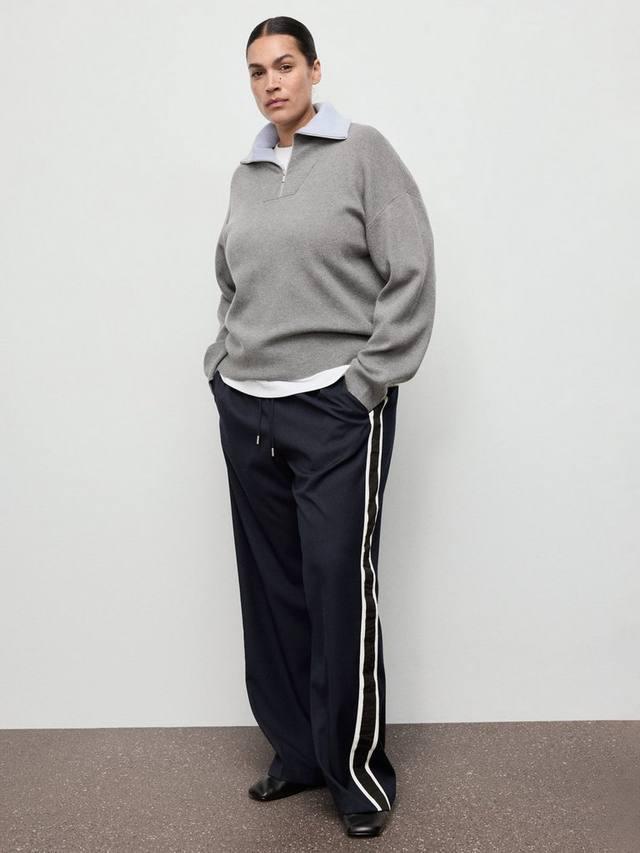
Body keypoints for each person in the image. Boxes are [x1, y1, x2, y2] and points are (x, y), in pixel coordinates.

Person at [203, 15, 436, 839]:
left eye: (285, 65)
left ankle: (356, 771)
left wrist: (367, 382)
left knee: (338, 582)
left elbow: (412, 269)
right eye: (257, 70)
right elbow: (231, 279)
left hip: (335, 406)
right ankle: (299, 753)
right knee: (273, 589)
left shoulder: (364, 153)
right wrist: (221, 365)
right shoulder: (246, 173)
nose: (271, 82)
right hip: (249, 405)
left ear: (314, 70)